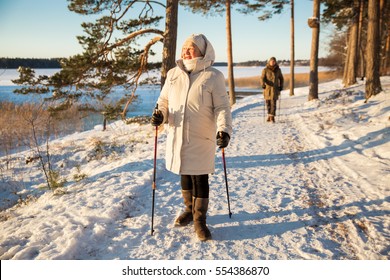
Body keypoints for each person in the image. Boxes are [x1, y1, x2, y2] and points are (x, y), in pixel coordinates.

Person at [151, 34, 233, 241]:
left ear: (203, 52)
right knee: (184, 173)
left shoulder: (213, 76)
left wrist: (224, 130)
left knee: (200, 177)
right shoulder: (173, 74)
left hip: (201, 135)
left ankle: (200, 220)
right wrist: (161, 115)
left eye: (192, 47)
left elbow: (222, 107)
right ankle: (189, 209)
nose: (186, 50)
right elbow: (164, 100)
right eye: (185, 47)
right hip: (177, 133)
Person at [261, 57, 284, 123]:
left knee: (273, 103)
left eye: (274, 61)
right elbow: (262, 78)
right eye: (271, 61)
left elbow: (281, 78)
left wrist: (281, 86)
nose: (272, 62)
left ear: (275, 62)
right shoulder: (265, 70)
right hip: (267, 89)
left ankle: (272, 117)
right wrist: (263, 84)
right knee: (268, 103)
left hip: (275, 89)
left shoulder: (278, 70)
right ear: (269, 62)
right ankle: (269, 115)